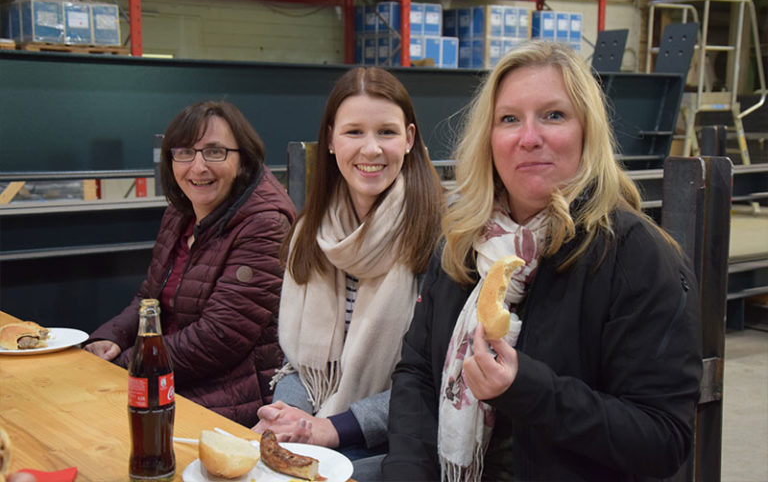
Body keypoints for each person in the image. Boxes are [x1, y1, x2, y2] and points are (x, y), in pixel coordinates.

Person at [382, 40, 703, 481]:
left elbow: (663, 440)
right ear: (489, 139)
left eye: (554, 115)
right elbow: (416, 375)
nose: (529, 138)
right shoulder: (460, 241)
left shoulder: (636, 256)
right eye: (509, 119)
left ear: (586, 131)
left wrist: (527, 390)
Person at [252, 67, 443, 478]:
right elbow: (297, 363)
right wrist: (294, 418)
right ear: (331, 141)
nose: (370, 149)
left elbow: (434, 380)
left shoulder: (441, 239)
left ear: (409, 139)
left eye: (387, 133)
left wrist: (331, 429)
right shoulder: (309, 233)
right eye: (354, 132)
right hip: (319, 426)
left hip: (399, 445)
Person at [84, 101, 296, 427]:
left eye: (214, 152)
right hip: (168, 378)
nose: (197, 167)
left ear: (243, 160)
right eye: (184, 152)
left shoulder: (265, 224)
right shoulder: (180, 212)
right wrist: (110, 339)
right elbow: (147, 300)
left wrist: (131, 362)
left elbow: (220, 337)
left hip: (229, 397)